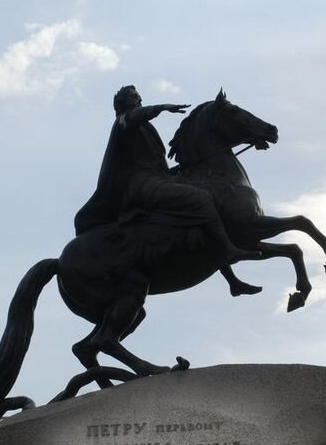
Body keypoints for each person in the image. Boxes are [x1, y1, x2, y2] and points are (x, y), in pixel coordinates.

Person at [75, 85, 262, 295]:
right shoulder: (123, 122)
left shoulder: (141, 126)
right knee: (200, 199)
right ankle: (227, 250)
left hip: (157, 178)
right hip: (141, 185)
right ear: (124, 103)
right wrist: (163, 107)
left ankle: (233, 281)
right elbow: (137, 117)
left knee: (204, 205)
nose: (139, 99)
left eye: (138, 96)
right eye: (134, 96)